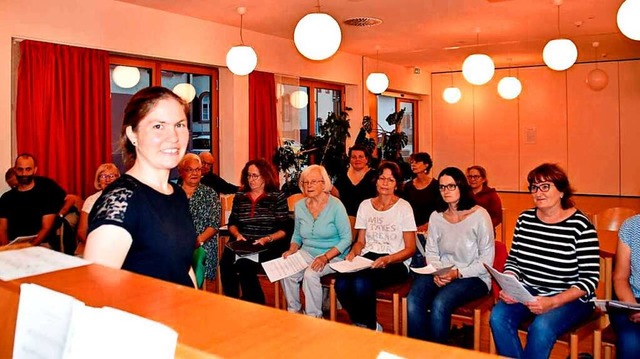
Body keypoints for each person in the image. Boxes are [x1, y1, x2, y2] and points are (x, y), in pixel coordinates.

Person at [84, 86, 197, 287]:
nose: (173, 137)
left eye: (179, 125)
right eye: (158, 126)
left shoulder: (176, 193)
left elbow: (183, 267)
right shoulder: (121, 199)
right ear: (132, 134)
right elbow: (96, 291)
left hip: (182, 313)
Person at [489, 163, 600, 359]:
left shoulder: (581, 226)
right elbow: (514, 259)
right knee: (498, 317)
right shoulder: (525, 219)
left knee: (541, 327)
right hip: (530, 291)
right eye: (534, 187)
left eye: (545, 186)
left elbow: (589, 280)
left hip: (571, 298)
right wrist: (510, 282)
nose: (538, 192)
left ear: (562, 191)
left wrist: (553, 302)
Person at [407, 167, 495, 343]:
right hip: (441, 272)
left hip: (473, 276)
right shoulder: (436, 216)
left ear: (461, 186)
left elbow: (486, 260)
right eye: (442, 187)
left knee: (440, 303)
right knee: (413, 299)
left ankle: (439, 353)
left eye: (451, 186)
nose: (446, 191)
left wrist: (457, 273)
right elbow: (431, 252)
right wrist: (439, 272)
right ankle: (420, 350)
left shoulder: (479, 215)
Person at [334, 161, 417, 330]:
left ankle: (369, 326)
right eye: (382, 178)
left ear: (397, 184)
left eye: (391, 180)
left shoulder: (404, 207)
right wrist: (353, 253)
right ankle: (361, 322)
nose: (385, 183)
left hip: (395, 260)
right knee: (341, 283)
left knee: (360, 283)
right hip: (368, 257)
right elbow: (360, 242)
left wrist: (388, 259)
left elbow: (410, 249)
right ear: (376, 181)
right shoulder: (365, 205)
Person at [281, 165, 352, 318]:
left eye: (314, 181)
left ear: (323, 183)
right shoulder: (300, 206)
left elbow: (347, 238)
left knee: (310, 274)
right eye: (306, 182)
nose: (309, 185)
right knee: (286, 270)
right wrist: (292, 249)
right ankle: (294, 311)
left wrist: (326, 257)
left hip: (333, 255)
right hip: (307, 252)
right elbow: (297, 235)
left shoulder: (336, 206)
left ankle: (314, 317)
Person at [219, 158, 291, 304]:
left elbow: (285, 229)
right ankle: (232, 301)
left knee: (245, 266)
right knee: (226, 263)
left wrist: (267, 239)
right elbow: (232, 223)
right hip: (242, 242)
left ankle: (255, 302)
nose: (251, 180)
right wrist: (237, 235)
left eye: (255, 176)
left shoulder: (277, 197)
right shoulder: (240, 197)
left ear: (265, 176)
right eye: (248, 175)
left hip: (267, 245)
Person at [0, 154, 67, 246]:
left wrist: (29, 247)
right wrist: (7, 250)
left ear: (35, 170)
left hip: (40, 245)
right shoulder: (6, 198)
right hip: (12, 246)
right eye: (20, 169)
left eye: (28, 169)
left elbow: (46, 228)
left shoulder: (46, 193)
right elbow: (2, 228)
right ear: (15, 170)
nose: (24, 173)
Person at [179, 153, 221, 281]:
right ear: (181, 172)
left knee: (196, 256)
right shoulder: (173, 193)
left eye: (197, 169)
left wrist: (197, 241)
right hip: (178, 244)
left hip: (203, 243)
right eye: (190, 170)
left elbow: (214, 225)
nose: (195, 173)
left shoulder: (210, 194)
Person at [402, 152, 440, 267]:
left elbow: (440, 210)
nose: (413, 165)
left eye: (417, 162)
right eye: (412, 162)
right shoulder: (408, 186)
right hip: (412, 229)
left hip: (430, 229)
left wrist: (427, 226)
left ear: (426, 165)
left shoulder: (436, 185)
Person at [610, 214, 640, 358]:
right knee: (630, 341)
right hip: (632, 299)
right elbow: (620, 278)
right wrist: (633, 308)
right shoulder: (631, 226)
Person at [75, 163, 120, 251]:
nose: (107, 180)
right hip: (92, 245)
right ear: (98, 180)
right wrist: (96, 248)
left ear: (118, 179)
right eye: (103, 176)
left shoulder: (125, 199)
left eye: (111, 176)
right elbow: (81, 231)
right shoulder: (91, 200)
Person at [331, 144, 377, 217]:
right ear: (350, 159)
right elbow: (335, 197)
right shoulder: (342, 177)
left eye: (360, 157)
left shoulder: (375, 176)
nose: (357, 159)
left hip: (369, 219)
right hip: (346, 219)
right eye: (354, 157)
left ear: (366, 159)